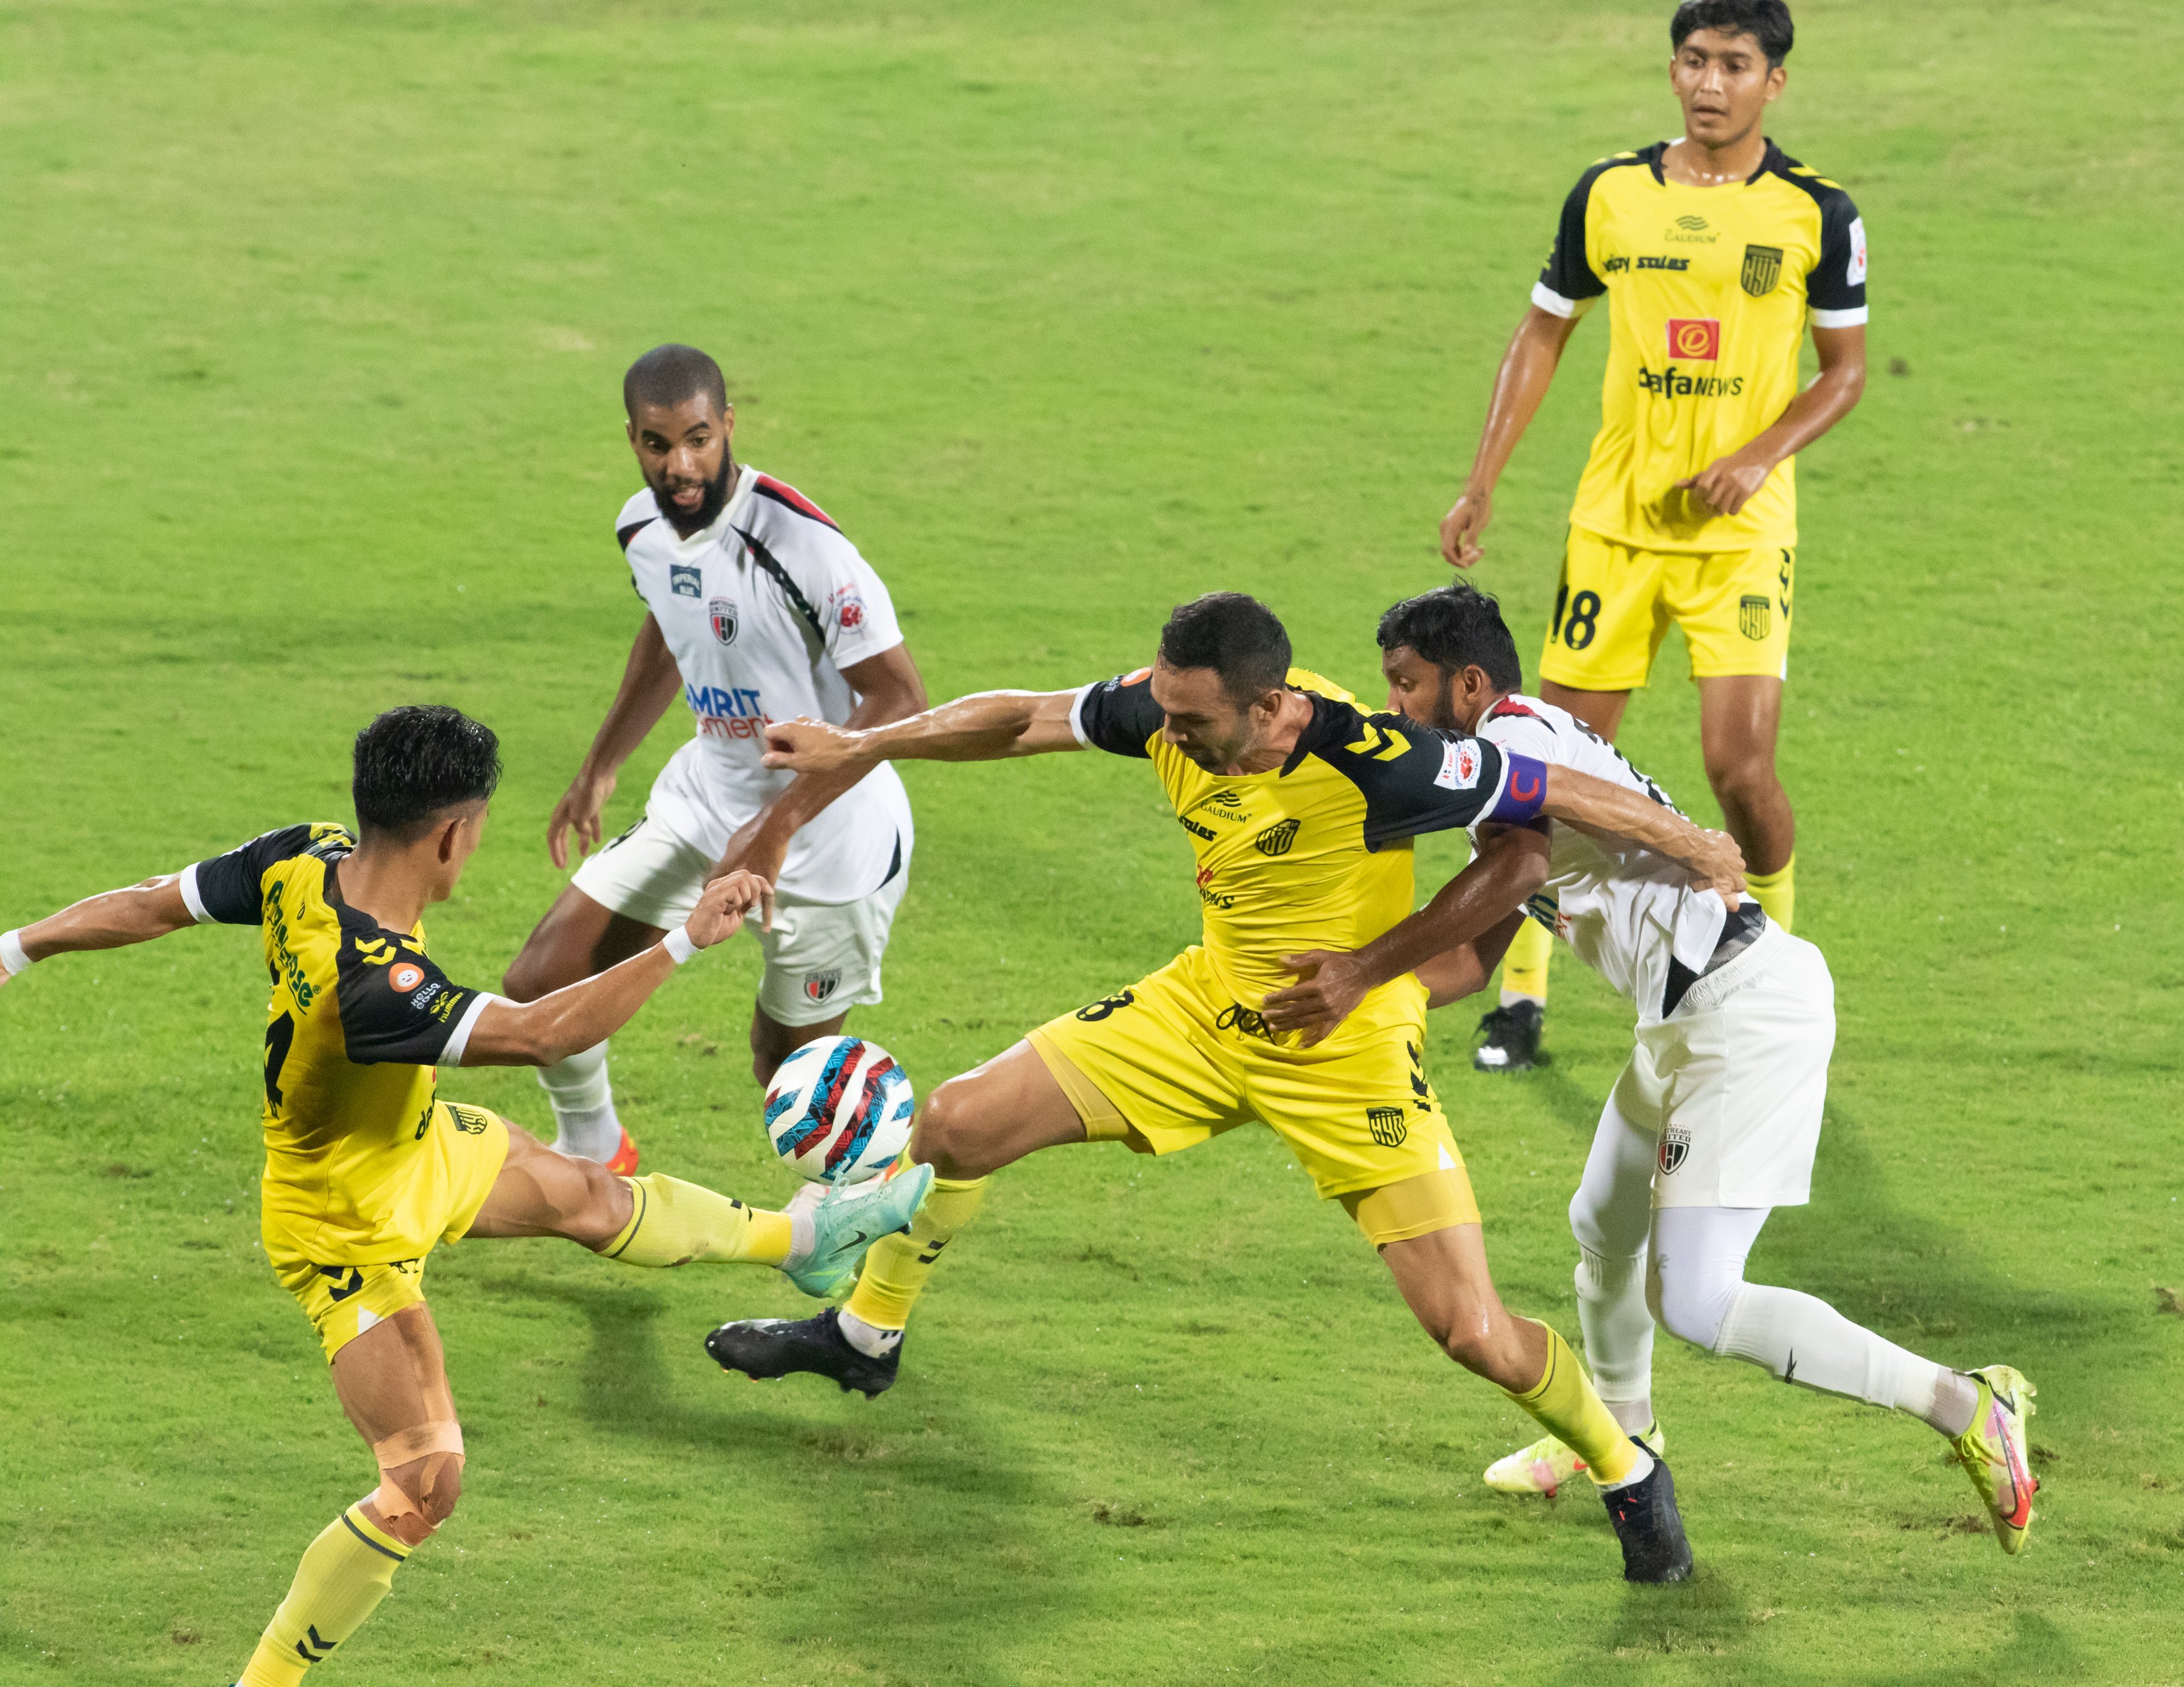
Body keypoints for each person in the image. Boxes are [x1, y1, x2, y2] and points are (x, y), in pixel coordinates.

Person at [704, 592, 1750, 1582]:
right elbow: (1023, 720)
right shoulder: (1163, 714)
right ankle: (864, 1337)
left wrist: (1696, 842)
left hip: (1346, 1047)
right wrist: (865, 744)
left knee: (1471, 1331)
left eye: (1192, 719)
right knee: (956, 1123)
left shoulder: (1371, 756)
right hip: (1203, 1014)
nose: (1168, 734)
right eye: (1163, 708)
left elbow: (1550, 798)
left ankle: (1628, 1469)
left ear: (1266, 705)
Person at [0, 705, 931, 1686]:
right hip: (344, 1229)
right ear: (453, 833)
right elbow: (542, 1033)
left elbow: (156, 901)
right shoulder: (374, 985)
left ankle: (806, 1239)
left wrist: (15, 948)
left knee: (587, 1198)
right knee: (422, 1484)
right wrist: (688, 942)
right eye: (479, 828)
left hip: (413, 1145)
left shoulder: (301, 858)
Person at [1261, 584, 2036, 1554]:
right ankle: (1620, 1440)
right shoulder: (1506, 781)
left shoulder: (1517, 738)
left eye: (1407, 687)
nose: (1396, 711)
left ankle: (1967, 1405)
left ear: (1467, 683)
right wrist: (1350, 1001)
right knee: (1602, 1224)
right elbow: (1469, 958)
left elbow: (1519, 875)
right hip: (1684, 1018)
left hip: (1745, 1014)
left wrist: (1364, 969)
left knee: (1699, 1302)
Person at [1435, 0, 1868, 1073]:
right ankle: (1522, 1001)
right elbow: (1544, 330)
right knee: (1553, 769)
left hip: (1740, 536)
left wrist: (1763, 451)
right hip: (1615, 529)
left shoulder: (1820, 212)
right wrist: (1483, 480)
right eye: (1693, 61)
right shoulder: (1612, 193)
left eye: (1733, 64)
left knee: (1741, 768)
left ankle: (1774, 961)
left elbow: (1845, 371)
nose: (1708, 83)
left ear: (1776, 82)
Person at [503, 343, 928, 1173]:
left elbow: (900, 701)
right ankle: (594, 1149)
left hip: (831, 841)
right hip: (707, 803)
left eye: (698, 438)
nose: (682, 466)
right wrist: (601, 762)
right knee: (542, 980)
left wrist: (775, 829)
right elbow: (670, 629)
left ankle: (839, 1245)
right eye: (658, 446)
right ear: (633, 440)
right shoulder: (641, 527)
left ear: (729, 425)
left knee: (794, 1076)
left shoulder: (801, 545)